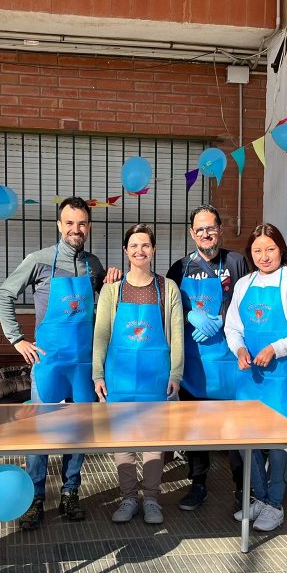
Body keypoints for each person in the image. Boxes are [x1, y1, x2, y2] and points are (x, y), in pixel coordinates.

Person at [0, 197, 122, 531]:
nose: (75, 229)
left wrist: (110, 287)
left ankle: (70, 493)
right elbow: (4, 294)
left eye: (81, 223)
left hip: (83, 363)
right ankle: (34, 499)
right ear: (59, 225)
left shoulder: (94, 265)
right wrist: (17, 339)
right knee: (41, 432)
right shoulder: (38, 261)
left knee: (78, 430)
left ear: (88, 226)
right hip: (49, 363)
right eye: (69, 223)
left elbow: (103, 311)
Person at [224, 223, 287, 532]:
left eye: (270, 249)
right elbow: (232, 326)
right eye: (257, 250)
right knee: (246, 441)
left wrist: (275, 348)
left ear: (281, 250)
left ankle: (275, 503)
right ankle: (259, 498)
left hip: (281, 376)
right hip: (249, 376)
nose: (264, 256)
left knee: (278, 444)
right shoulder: (244, 284)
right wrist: (238, 349)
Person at [93, 224, 183, 524]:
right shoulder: (111, 290)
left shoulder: (167, 287)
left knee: (153, 440)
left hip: (156, 377)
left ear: (153, 250)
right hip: (118, 377)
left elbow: (177, 335)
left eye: (145, 245)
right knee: (123, 440)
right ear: (125, 250)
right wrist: (97, 374)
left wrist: (176, 374)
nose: (139, 251)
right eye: (134, 245)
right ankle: (128, 498)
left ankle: (152, 499)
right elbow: (102, 334)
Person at [166, 205, 249, 511]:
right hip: (195, 364)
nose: (205, 234)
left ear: (220, 229)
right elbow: (169, 306)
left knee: (235, 430)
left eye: (210, 228)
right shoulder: (179, 268)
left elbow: (247, 299)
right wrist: (190, 314)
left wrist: (221, 317)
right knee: (195, 429)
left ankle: (243, 489)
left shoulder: (238, 262)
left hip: (230, 361)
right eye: (199, 229)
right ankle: (198, 484)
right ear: (192, 233)